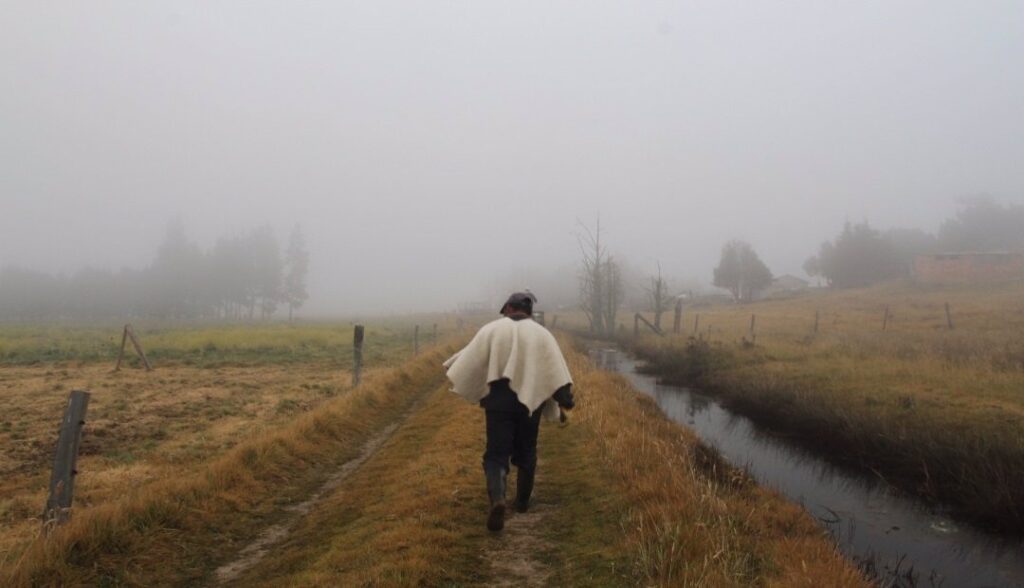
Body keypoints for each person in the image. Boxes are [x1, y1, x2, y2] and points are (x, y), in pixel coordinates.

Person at [443, 291, 574, 532]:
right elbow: (555, 369)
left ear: (510, 308)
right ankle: (522, 502)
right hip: (529, 406)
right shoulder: (542, 335)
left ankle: (498, 500)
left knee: (495, 454)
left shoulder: (491, 330)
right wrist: (565, 400)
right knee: (527, 452)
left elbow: (470, 358)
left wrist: (454, 368)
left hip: (497, 404)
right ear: (528, 311)